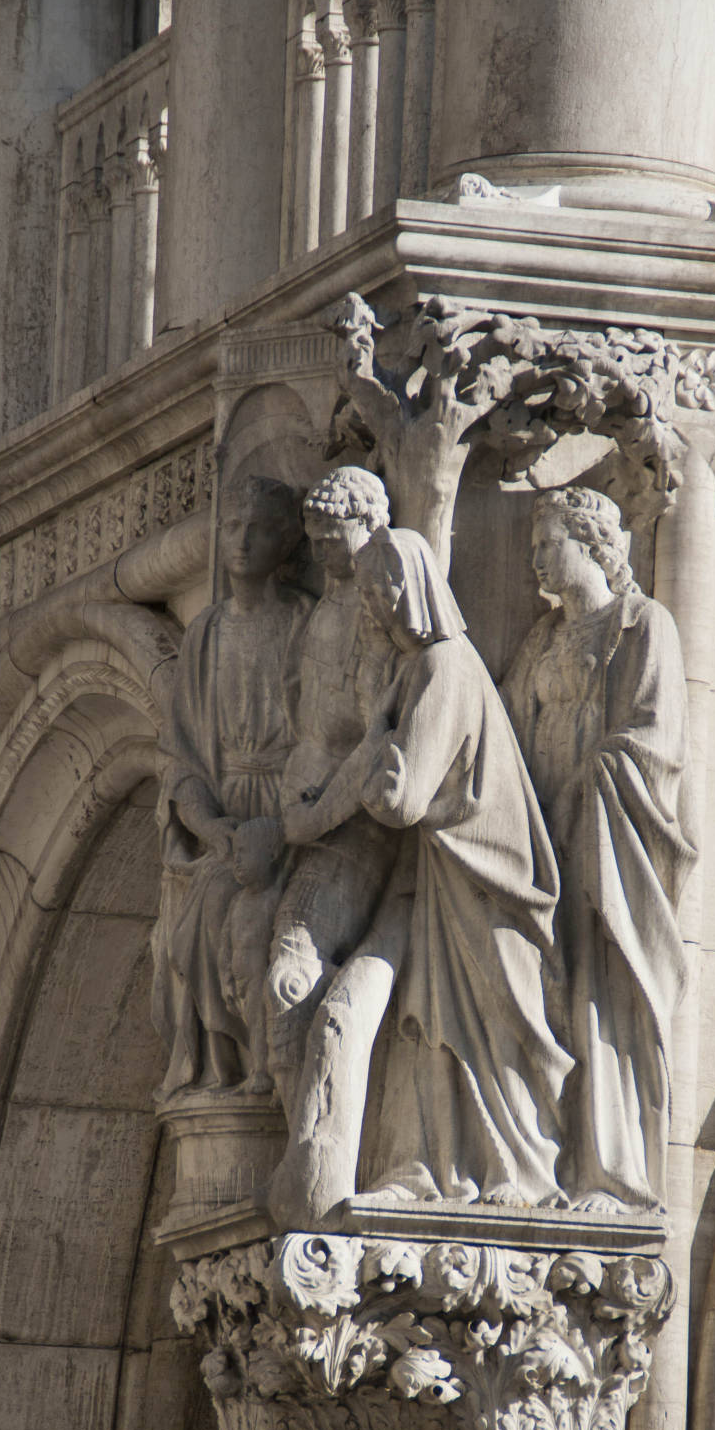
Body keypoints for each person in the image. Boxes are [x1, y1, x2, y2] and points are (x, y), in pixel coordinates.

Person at [279, 526, 572, 1215]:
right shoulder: (413, 671)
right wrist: (317, 813)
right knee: (428, 1019)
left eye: (391, 588)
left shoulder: (446, 667)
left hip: (487, 878)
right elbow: (370, 761)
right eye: (374, 594)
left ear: (420, 587)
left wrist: (349, 800)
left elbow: (402, 798)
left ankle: (522, 1173)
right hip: (442, 877)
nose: (383, 605)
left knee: (496, 1024)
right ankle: (433, 1168)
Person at [503, 487, 696, 1209]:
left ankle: (609, 1171)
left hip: (605, 835)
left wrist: (585, 792)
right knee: (544, 988)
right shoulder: (541, 641)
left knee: (601, 988)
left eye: (547, 543)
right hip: (540, 834)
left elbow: (653, 739)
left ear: (590, 543)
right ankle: (537, 1155)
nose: (534, 559)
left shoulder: (643, 623)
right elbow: (507, 736)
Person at [152, 468, 311, 1100]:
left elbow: (327, 729)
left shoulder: (304, 622)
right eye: (234, 528)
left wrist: (281, 823)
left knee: (257, 937)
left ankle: (268, 1072)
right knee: (186, 937)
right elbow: (182, 755)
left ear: (286, 544)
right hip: (225, 821)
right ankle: (222, 1073)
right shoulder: (205, 635)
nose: (242, 543)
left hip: (288, 814)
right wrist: (207, 824)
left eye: (260, 531)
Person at [264, 467, 399, 1119]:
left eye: (331, 537)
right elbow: (301, 709)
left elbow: (379, 738)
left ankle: (314, 1142)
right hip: (307, 815)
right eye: (312, 540)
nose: (320, 552)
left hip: (349, 825)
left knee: (293, 972)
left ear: (371, 527)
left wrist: (317, 813)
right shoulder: (324, 609)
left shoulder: (380, 612)